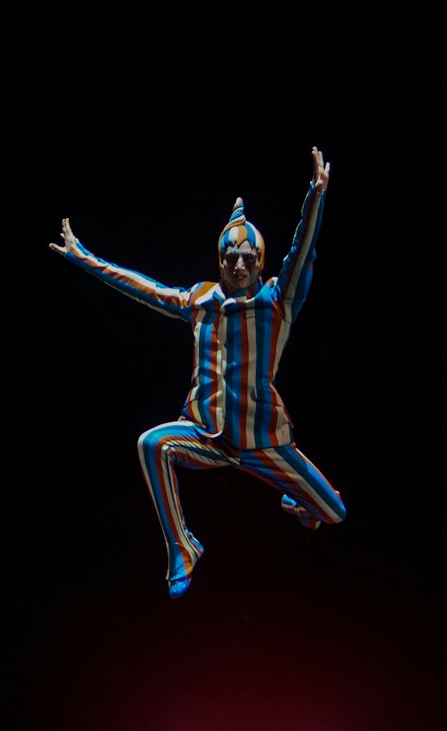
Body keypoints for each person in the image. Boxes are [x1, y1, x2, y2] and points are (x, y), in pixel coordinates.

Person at [49, 147, 346, 598]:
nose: (240, 264)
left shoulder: (275, 303)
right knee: (152, 443)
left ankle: (300, 504)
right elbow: (143, 287)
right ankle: (181, 545)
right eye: (231, 257)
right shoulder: (199, 302)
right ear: (220, 260)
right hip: (205, 433)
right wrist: (85, 259)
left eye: (248, 257)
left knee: (333, 512)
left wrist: (316, 196)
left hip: (262, 441)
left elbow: (301, 253)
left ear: (259, 262)